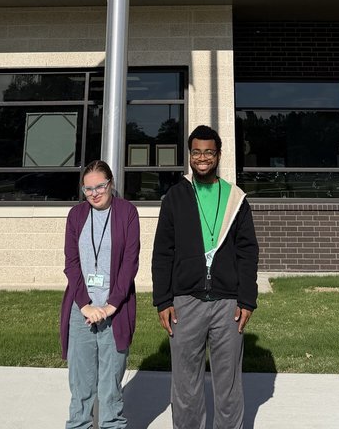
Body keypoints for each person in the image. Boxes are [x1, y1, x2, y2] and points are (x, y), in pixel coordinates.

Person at [152, 125, 259, 429]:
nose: (202, 158)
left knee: (228, 387)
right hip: (185, 302)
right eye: (196, 151)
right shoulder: (175, 196)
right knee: (185, 387)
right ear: (189, 154)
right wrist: (163, 300)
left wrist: (247, 299)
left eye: (208, 152)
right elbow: (163, 252)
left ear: (218, 155)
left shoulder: (235, 198)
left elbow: (248, 252)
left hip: (228, 305)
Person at [60, 160, 140, 429]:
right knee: (80, 383)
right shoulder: (76, 215)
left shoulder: (127, 212)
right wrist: (84, 304)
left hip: (114, 311)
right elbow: (71, 263)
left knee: (110, 385)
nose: (94, 193)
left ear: (111, 184)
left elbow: (130, 262)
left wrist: (110, 306)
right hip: (80, 310)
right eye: (88, 189)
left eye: (100, 187)